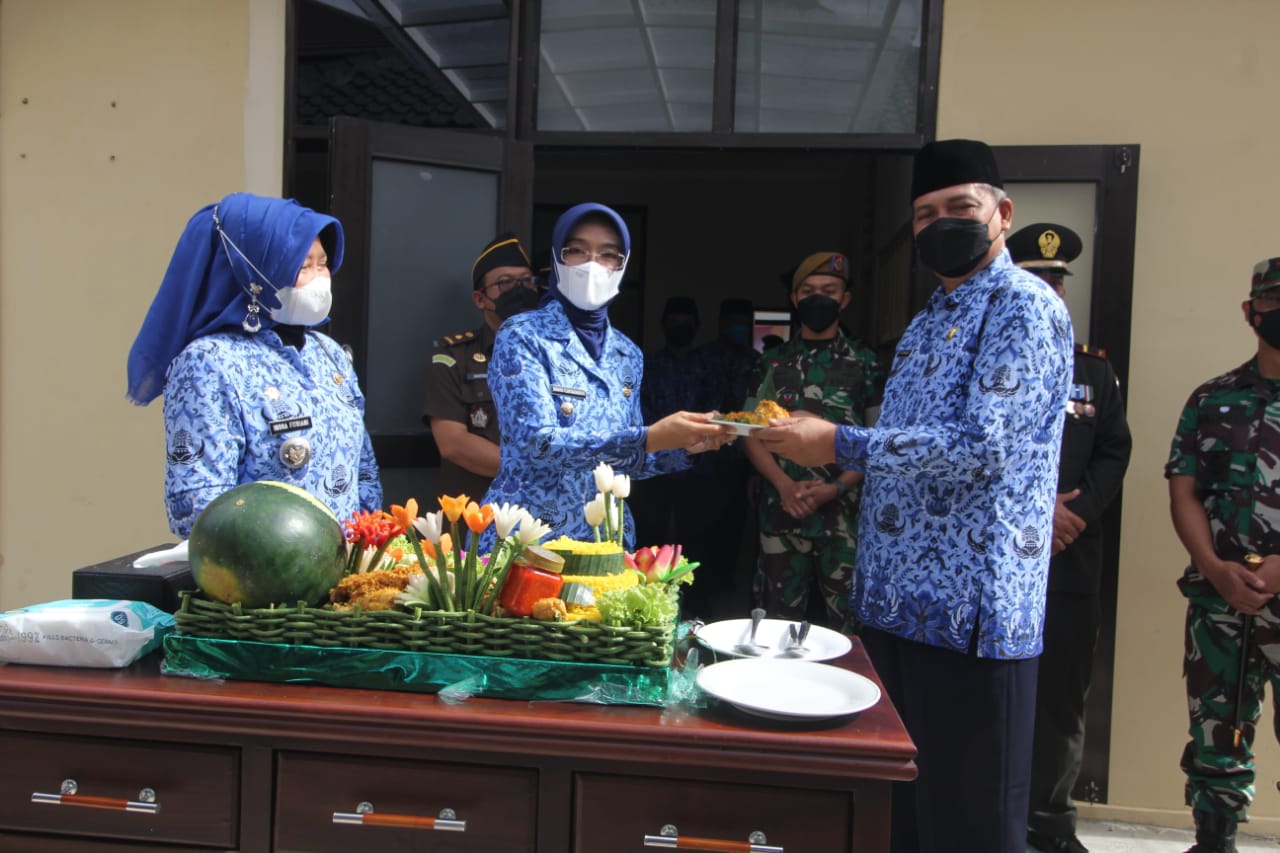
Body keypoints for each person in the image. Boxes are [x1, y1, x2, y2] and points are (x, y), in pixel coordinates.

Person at [756, 139, 1073, 853]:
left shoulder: (1022, 308)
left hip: (971, 615)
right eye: (925, 214)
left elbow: (983, 447)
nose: (941, 225)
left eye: (960, 208)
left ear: (1002, 213)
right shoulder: (930, 315)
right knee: (903, 821)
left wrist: (839, 443)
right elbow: (908, 444)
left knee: (972, 828)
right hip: (897, 608)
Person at [127, 192, 382, 536]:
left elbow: (362, 469)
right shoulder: (209, 363)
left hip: (350, 571)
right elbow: (199, 507)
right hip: (266, 579)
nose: (320, 278)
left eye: (323, 264)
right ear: (255, 274)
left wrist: (373, 545)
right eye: (303, 266)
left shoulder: (329, 353)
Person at [481, 203, 734, 545]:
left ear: (622, 265)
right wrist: (650, 437)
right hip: (530, 541)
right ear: (557, 259)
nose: (592, 264)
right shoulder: (523, 335)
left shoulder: (627, 353)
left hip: (606, 544)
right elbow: (536, 444)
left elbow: (623, 465)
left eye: (607, 255)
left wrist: (688, 445)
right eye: (577, 251)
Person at [1007, 223, 1133, 853]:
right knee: (997, 693)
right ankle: (996, 815)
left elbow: (1114, 450)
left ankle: (1050, 823)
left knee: (1062, 698)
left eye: (1056, 282)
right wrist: (1034, 510)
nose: (1050, 291)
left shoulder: (1094, 373)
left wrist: (1073, 512)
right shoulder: (993, 363)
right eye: (1037, 280)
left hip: (1069, 559)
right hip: (1002, 560)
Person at [1166, 257, 1280, 853]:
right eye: (1274, 303)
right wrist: (1213, 567)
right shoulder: (1212, 398)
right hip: (1217, 600)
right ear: (1251, 312)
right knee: (1216, 727)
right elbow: (1183, 489)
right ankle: (1214, 840)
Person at [742, 251, 883, 632]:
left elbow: (877, 441)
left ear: (845, 299)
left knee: (850, 625)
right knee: (773, 623)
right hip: (782, 510)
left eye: (829, 290)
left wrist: (835, 488)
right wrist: (784, 485)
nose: (818, 297)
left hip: (844, 516)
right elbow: (750, 434)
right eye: (808, 290)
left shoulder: (866, 362)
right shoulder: (771, 362)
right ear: (794, 298)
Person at [423, 233, 538, 499]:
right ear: (480, 299)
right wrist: (533, 470)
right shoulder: (453, 358)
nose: (519, 289)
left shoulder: (557, 355)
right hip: (478, 519)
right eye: (506, 283)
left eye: (526, 281)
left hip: (548, 515)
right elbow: (453, 444)